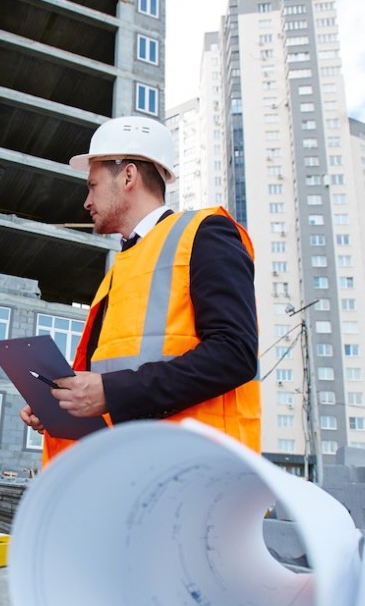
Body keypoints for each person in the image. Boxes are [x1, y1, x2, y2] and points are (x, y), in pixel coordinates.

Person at [20, 115, 260, 464]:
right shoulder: (119, 272)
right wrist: (66, 402)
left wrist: (110, 392)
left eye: (93, 185)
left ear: (128, 176)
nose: (86, 202)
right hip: (126, 466)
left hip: (195, 470)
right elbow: (109, 379)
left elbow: (234, 353)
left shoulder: (205, 233)